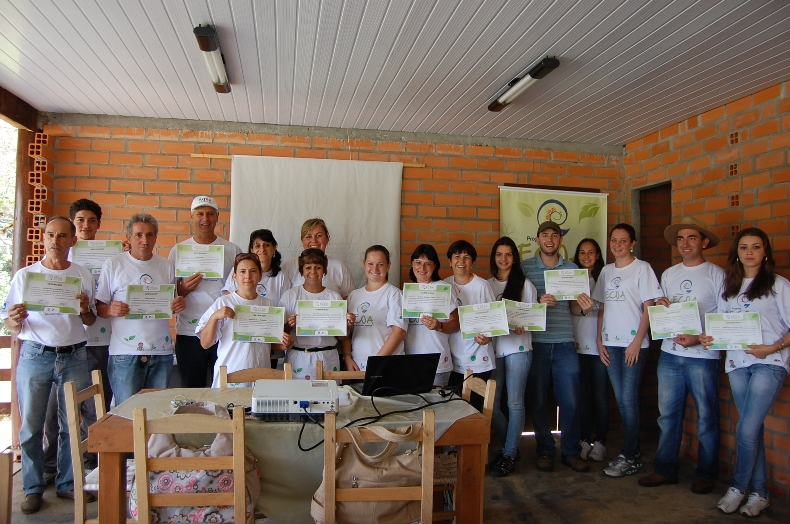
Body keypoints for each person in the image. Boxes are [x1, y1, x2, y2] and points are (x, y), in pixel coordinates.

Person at [1, 217, 95, 513]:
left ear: (72, 240)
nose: (56, 240)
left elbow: (91, 320)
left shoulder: (82, 274)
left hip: (74, 356)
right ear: (44, 238)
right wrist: (14, 320)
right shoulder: (26, 276)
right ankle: (32, 488)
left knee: (73, 424)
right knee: (31, 425)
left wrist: (83, 309)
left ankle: (68, 483)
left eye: (63, 235)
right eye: (51, 235)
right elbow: (9, 322)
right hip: (35, 354)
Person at [700, 228, 790, 517]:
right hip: (737, 364)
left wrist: (772, 347)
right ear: (736, 253)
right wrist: (709, 337)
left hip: (769, 362)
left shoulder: (778, 285)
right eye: (743, 247)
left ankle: (738, 487)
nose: (749, 252)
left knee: (747, 429)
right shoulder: (729, 286)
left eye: (755, 247)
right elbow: (722, 327)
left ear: (765, 252)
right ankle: (760, 493)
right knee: (752, 430)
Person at [639, 218, 723, 495]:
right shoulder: (669, 274)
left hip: (703, 357)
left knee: (706, 416)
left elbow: (725, 318)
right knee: (668, 416)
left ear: (704, 242)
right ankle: (665, 469)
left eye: (691, 238)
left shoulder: (716, 274)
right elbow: (665, 314)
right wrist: (664, 307)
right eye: (680, 239)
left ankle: (706, 473)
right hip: (670, 354)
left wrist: (698, 339)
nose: (685, 244)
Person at [521, 221, 593, 474]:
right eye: (544, 235)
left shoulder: (572, 269)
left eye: (555, 235)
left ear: (560, 239)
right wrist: (538, 303)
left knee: (570, 400)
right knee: (538, 400)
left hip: (564, 343)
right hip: (536, 343)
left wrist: (584, 308)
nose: (550, 239)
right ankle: (545, 450)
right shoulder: (525, 267)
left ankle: (571, 451)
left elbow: (574, 308)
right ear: (537, 239)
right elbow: (519, 306)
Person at [592, 223, 662, 478]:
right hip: (610, 343)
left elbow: (649, 307)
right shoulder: (606, 272)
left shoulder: (642, 269)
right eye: (614, 240)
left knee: (628, 400)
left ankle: (631, 456)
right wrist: (599, 340)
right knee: (621, 400)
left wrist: (638, 342)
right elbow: (601, 308)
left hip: (634, 345)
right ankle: (630, 452)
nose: (617, 245)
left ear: (632, 243)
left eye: (623, 241)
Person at [96, 213, 186, 405]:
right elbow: (99, 307)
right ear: (128, 237)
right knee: (126, 414)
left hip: (161, 353)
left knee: (157, 413)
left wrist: (178, 304)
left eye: (150, 235)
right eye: (138, 235)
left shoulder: (166, 266)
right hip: (125, 354)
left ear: (155, 238)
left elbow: (171, 303)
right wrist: (111, 309)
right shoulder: (114, 264)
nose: (144, 240)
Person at [169, 196, 242, 387]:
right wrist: (183, 289)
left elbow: (240, 290)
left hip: (223, 332)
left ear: (217, 217)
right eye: (200, 213)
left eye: (210, 214)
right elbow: (170, 294)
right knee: (192, 391)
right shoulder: (178, 251)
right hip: (189, 332)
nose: (205, 218)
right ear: (192, 216)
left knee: (224, 389)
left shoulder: (232, 250)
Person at [197, 253, 293, 387]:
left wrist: (283, 344)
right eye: (242, 271)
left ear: (260, 276)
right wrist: (214, 317)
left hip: (260, 377)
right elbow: (205, 343)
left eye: (253, 271)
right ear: (234, 276)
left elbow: (266, 343)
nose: (247, 276)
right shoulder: (223, 303)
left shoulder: (268, 305)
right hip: (230, 376)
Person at [487, 236, 537, 477]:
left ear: (514, 258)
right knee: (494, 406)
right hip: (494, 352)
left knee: (514, 403)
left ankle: (508, 454)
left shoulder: (525, 285)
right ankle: (511, 447)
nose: (503, 259)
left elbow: (532, 319)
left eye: (508, 255)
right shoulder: (487, 285)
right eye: (499, 254)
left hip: (518, 349)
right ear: (494, 257)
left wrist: (523, 326)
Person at [281, 248, 355, 379]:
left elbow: (341, 337)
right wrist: (290, 325)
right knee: (298, 398)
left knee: (329, 398)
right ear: (301, 271)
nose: (313, 272)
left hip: (328, 357)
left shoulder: (334, 297)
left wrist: (347, 326)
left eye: (318, 267)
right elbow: (279, 332)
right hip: (299, 357)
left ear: (325, 270)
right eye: (308, 267)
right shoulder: (290, 295)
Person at [571, 238, 609, 462]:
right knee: (582, 397)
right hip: (578, 346)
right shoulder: (572, 279)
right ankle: (584, 439)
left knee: (601, 397)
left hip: (601, 347)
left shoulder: (605, 278)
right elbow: (571, 309)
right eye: (582, 252)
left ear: (598, 255)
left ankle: (601, 441)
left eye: (591, 252)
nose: (586, 256)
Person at [403, 244, 459, 387]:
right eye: (418, 263)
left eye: (428, 263)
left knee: (436, 408)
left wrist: (439, 326)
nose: (422, 268)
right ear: (412, 264)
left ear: (434, 266)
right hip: (411, 362)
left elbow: (456, 324)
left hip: (437, 363)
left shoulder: (443, 289)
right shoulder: (407, 292)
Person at [444, 240, 496, 395]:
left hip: (479, 359)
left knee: (476, 410)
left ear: (472, 262)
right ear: (450, 262)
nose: (461, 261)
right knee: (454, 407)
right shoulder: (444, 286)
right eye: (457, 257)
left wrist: (488, 337)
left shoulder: (482, 286)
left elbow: (494, 320)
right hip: (453, 361)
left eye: (466, 257)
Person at [345, 245, 407, 372]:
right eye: (370, 263)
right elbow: (346, 333)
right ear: (364, 264)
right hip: (358, 366)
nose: (375, 269)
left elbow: (399, 331)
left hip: (386, 366)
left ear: (389, 265)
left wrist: (376, 362)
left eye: (380, 264)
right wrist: (347, 357)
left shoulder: (394, 294)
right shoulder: (354, 296)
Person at [281, 218, 355, 298]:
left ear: (327, 239)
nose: (314, 240)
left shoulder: (339, 267)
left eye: (319, 235)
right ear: (302, 240)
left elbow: (348, 298)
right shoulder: (288, 267)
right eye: (308, 236)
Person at [222, 229, 291, 304]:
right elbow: (229, 300)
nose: (262, 249)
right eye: (257, 246)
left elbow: (285, 304)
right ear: (252, 250)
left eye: (266, 245)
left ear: (274, 248)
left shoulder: (282, 276)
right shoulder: (239, 270)